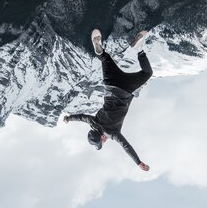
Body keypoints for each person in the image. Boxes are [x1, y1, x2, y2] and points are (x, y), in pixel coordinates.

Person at [63, 29, 153, 171]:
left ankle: (139, 49)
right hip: (110, 85)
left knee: (148, 73)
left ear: (101, 138)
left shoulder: (112, 133)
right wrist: (68, 118)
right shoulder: (93, 122)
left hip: (126, 89)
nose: (104, 142)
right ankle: (100, 50)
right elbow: (81, 117)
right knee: (105, 58)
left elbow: (126, 146)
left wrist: (138, 162)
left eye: (102, 142)